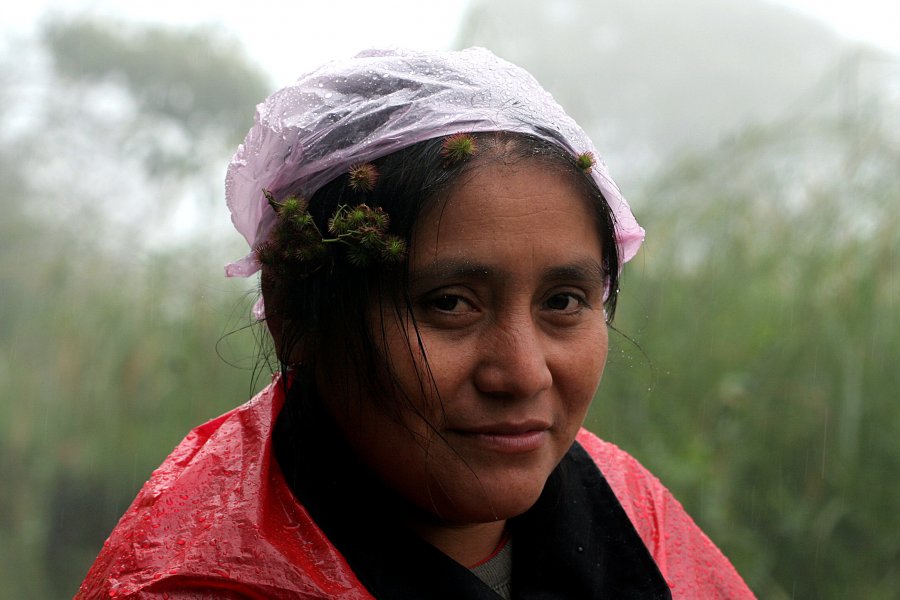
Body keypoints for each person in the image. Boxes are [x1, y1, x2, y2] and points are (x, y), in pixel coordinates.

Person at [78, 48, 754, 599]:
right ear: (294, 316)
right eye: (449, 303)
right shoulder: (200, 582)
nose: (521, 373)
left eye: (563, 302)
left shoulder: (630, 517)